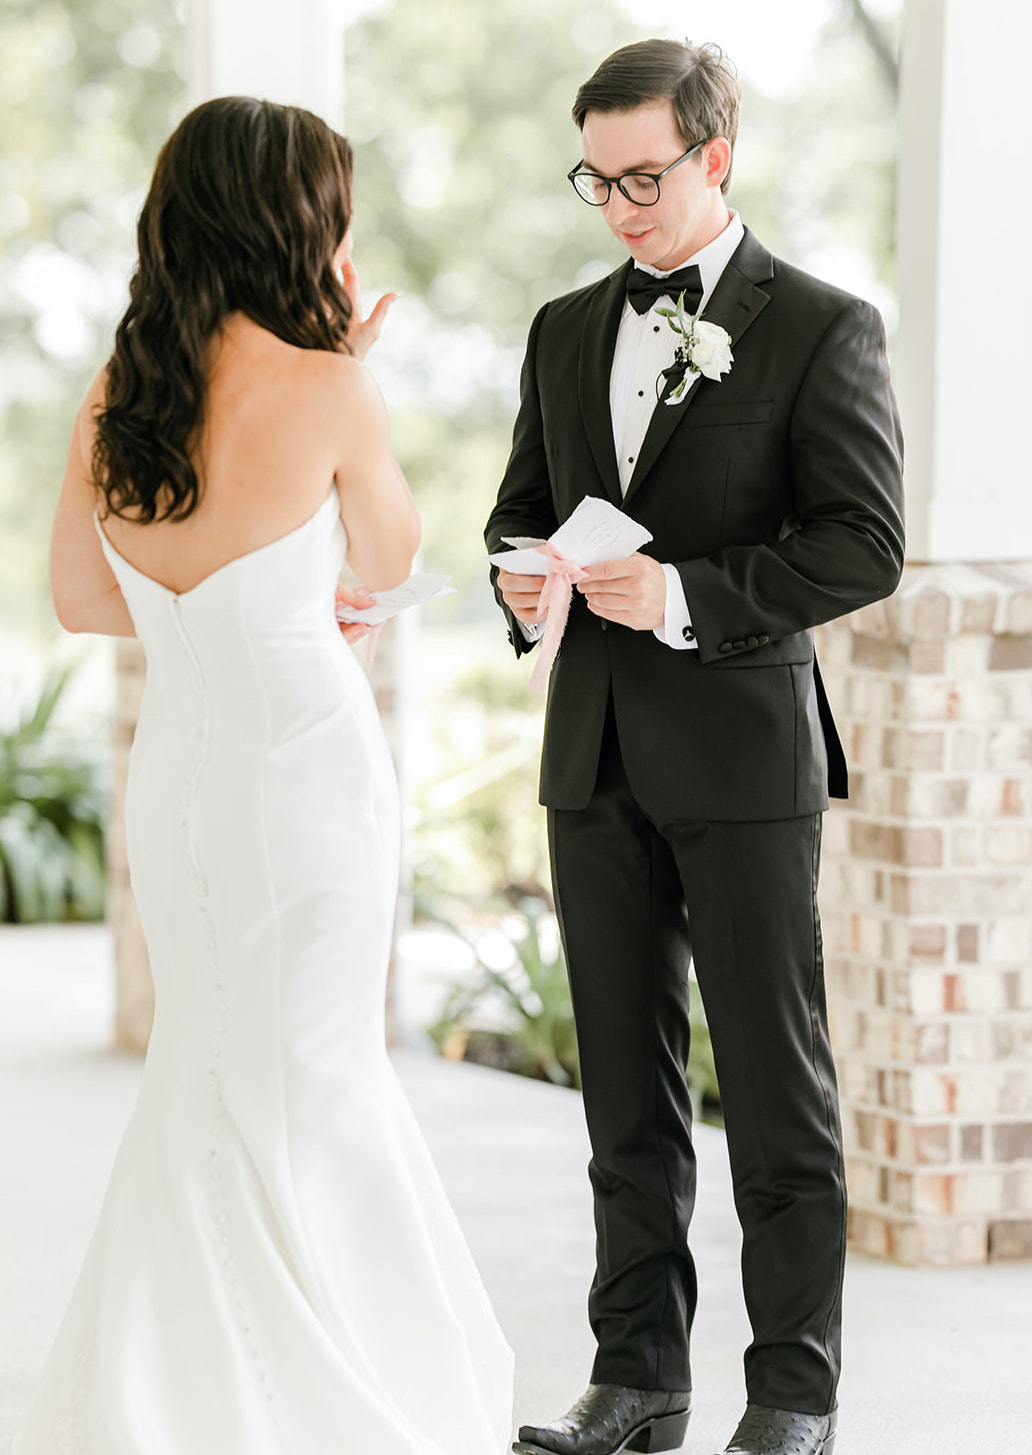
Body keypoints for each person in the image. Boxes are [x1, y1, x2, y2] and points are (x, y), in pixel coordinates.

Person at [19, 96, 513, 1455]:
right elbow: (397, 562)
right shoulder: (330, 381)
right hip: (302, 780)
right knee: (321, 1076)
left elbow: (81, 597)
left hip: (177, 786)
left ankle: (173, 1397)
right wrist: (349, 371)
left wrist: (216, 607)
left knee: (208, 1067)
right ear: (301, 221)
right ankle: (339, 1394)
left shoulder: (116, 396)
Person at [485, 39, 903, 1455]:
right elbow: (520, 507)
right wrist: (519, 575)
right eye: (595, 179)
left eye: (643, 177)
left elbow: (865, 543)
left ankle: (792, 1396)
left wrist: (684, 596)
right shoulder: (559, 327)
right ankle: (636, 1376)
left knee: (777, 1096)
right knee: (622, 1095)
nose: (617, 206)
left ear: (716, 158)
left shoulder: (825, 325)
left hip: (742, 755)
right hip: (592, 752)